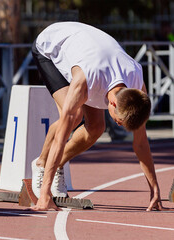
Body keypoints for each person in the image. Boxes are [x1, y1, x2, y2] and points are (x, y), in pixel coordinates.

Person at [30, 22, 164, 211]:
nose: (118, 125)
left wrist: (155, 189)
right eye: (119, 121)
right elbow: (61, 136)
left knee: (96, 128)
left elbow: (140, 143)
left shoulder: (136, 82)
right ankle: (41, 164)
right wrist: (44, 195)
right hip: (50, 47)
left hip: (88, 51)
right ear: (114, 103)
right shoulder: (86, 81)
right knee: (73, 117)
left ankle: (57, 165)